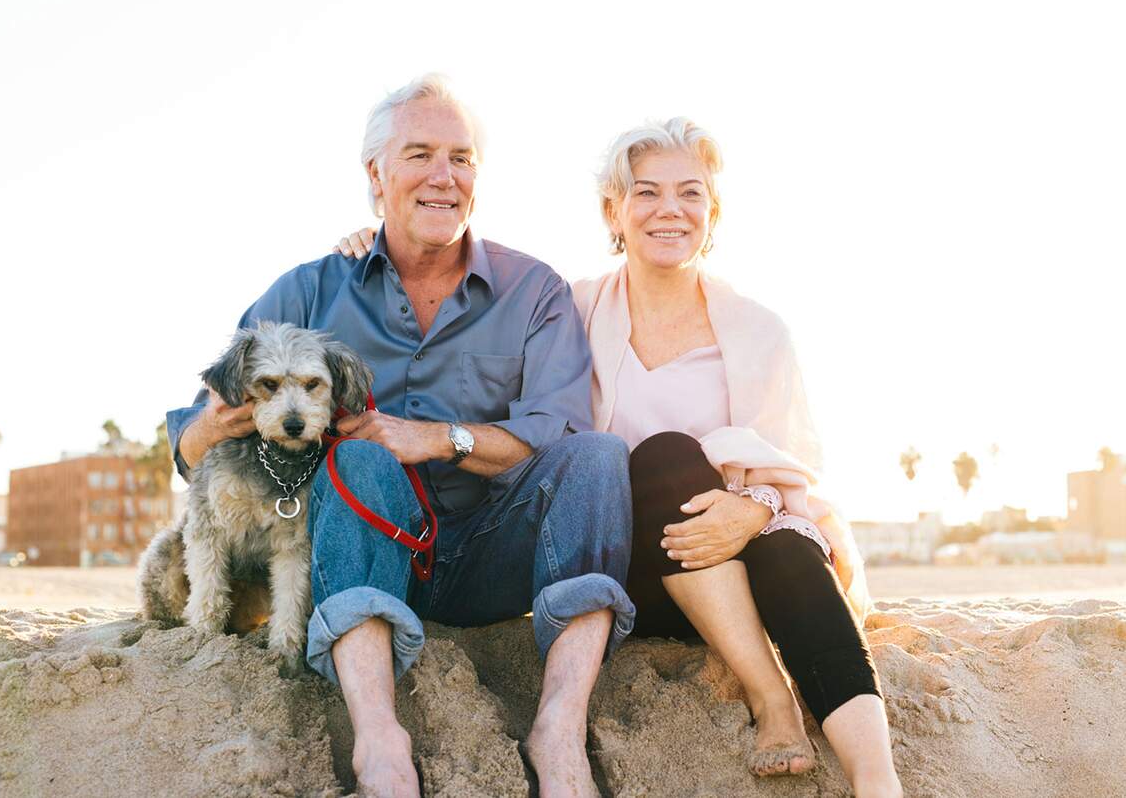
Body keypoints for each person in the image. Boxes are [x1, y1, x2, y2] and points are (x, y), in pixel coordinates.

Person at [339, 119, 903, 795]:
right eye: (646, 192)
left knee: (788, 551)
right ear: (614, 211)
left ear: (711, 212)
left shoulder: (760, 331)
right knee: (661, 457)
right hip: (638, 570)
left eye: (690, 194)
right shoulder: (572, 308)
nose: (670, 209)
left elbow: (790, 465)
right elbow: (475, 306)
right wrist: (385, 249)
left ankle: (880, 781)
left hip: (746, 555)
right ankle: (771, 698)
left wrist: (751, 510)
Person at [172, 74, 634, 798]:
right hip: (364, 546)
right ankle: (380, 740)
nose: (443, 176)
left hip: (493, 551)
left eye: (461, 157)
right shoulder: (310, 289)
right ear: (375, 174)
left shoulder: (533, 289)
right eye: (419, 153)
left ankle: (560, 724)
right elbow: (198, 436)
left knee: (599, 455)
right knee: (357, 455)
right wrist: (214, 421)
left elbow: (555, 432)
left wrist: (438, 437)